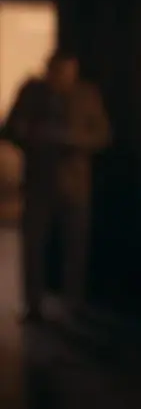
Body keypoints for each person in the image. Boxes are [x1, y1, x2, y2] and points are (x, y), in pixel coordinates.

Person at [3, 50, 111, 321]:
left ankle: (74, 303)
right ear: (48, 70)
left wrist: (74, 140)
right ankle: (33, 305)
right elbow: (10, 128)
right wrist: (29, 134)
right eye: (59, 73)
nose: (64, 79)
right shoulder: (31, 92)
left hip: (75, 185)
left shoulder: (87, 95)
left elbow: (102, 134)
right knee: (34, 246)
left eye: (69, 73)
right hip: (38, 182)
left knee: (75, 247)